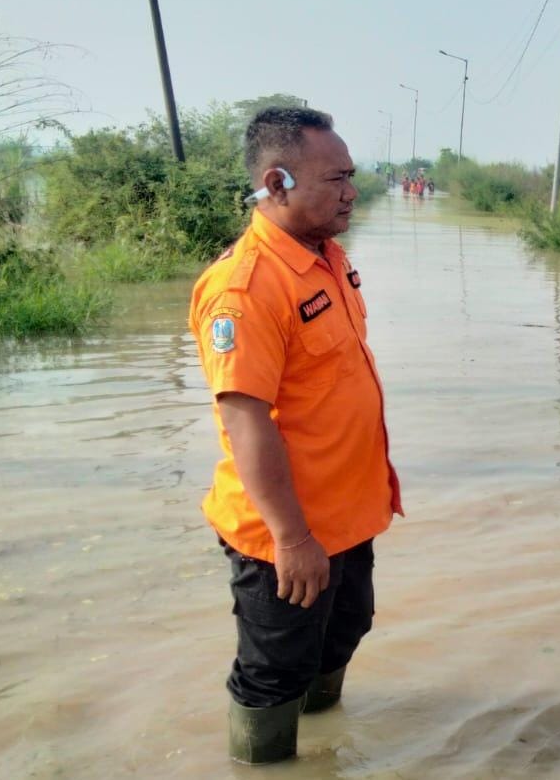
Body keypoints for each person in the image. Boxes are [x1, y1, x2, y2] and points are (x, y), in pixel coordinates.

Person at [189, 106, 402, 764]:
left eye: (351, 176)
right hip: (285, 531)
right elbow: (245, 418)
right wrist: (292, 537)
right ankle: (266, 763)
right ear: (277, 183)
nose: (351, 190)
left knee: (344, 630)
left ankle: (324, 740)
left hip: (346, 515)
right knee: (274, 668)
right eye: (335, 178)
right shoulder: (245, 287)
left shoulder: (326, 257)